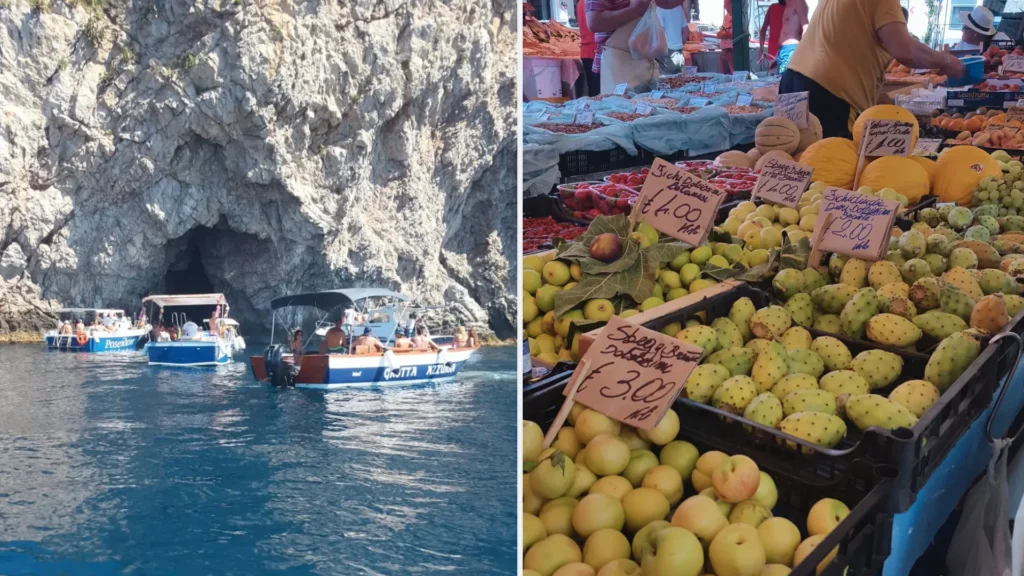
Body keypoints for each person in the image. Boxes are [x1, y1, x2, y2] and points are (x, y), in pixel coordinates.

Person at [781, 0, 964, 139]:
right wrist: (947, 61)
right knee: (834, 168)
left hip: (793, 81)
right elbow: (904, 50)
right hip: (831, 92)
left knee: (793, 159)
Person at [586, 0, 687, 94]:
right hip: (616, 65)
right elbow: (594, 22)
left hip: (645, 65)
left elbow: (667, 3)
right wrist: (635, 10)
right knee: (620, 111)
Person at [656, 3, 690, 74]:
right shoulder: (679, 8)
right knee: (679, 81)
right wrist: (678, 44)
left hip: (667, 53)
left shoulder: (659, 9)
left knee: (667, 82)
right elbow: (686, 31)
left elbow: (660, 33)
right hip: (679, 53)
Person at [576, 0, 601, 96]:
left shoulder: (581, 2)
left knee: (594, 91)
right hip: (597, 51)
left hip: (587, 51)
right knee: (599, 92)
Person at [776, 0, 807, 74]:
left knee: (788, 79)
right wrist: (777, 54)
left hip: (792, 49)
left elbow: (805, 25)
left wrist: (803, 50)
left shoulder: (798, 2)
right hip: (783, 50)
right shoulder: (787, 5)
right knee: (782, 79)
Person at [758, 0, 785, 73]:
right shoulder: (772, 8)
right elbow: (763, 30)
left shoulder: (794, 8)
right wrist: (761, 50)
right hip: (773, 53)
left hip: (787, 53)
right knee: (774, 80)